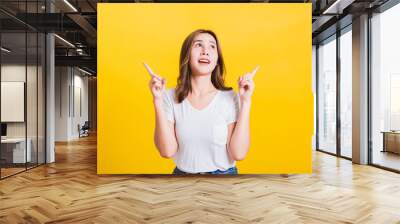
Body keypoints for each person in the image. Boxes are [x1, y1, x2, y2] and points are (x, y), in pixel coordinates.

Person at [145, 29, 259, 175]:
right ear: (187, 55)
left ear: (217, 59)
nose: (206, 51)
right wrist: (157, 100)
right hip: (181, 181)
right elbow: (167, 151)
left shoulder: (230, 98)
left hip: (224, 181)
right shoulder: (168, 96)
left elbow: (239, 154)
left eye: (212, 46)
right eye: (198, 45)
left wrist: (246, 102)